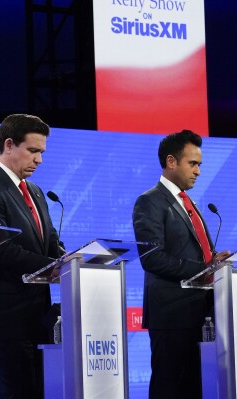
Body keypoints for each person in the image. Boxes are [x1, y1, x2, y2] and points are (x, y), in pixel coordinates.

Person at [0, 114, 64, 398]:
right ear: (9, 145)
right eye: (33, 151)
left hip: (40, 320)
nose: (39, 160)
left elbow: (51, 241)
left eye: (42, 152)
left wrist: (69, 261)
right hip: (7, 322)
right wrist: (58, 268)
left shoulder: (36, 192)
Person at [132, 129, 230, 399]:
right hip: (172, 314)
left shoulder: (189, 202)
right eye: (193, 163)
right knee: (170, 387)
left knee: (196, 388)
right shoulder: (150, 201)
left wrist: (212, 261)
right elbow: (152, 258)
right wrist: (204, 269)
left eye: (200, 164)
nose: (198, 171)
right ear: (171, 161)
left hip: (202, 312)